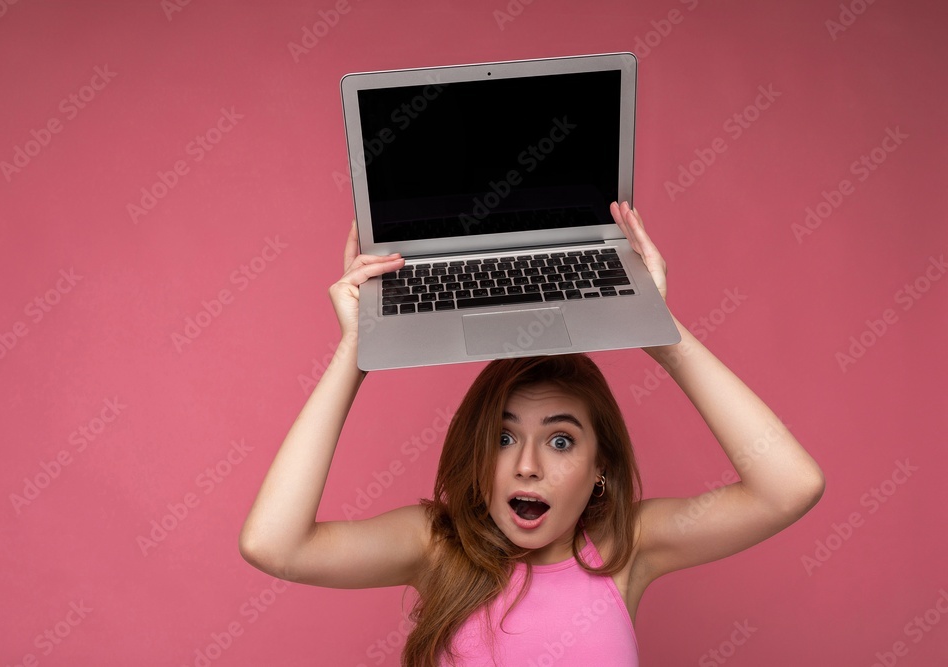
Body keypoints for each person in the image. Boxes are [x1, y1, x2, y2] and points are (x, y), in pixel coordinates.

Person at [239, 202, 826, 666]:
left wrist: (662, 331)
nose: (526, 465)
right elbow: (274, 544)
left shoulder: (625, 550)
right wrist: (354, 352)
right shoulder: (435, 546)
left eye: (562, 440)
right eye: (503, 437)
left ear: (602, 466)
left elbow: (789, 487)